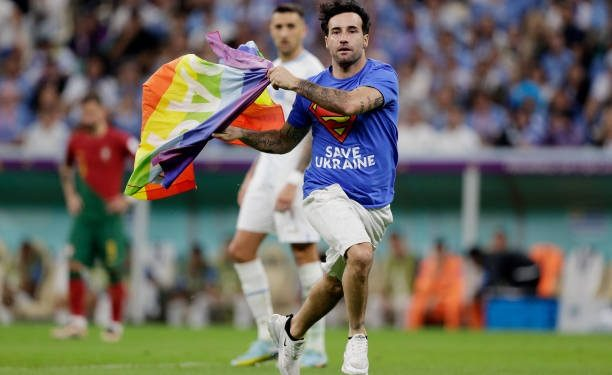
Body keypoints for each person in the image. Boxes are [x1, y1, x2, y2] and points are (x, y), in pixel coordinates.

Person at [214, 1, 398, 374]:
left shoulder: (383, 77)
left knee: (333, 285)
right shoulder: (314, 90)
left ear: (365, 38)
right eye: (335, 32)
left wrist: (297, 83)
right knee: (360, 255)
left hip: (375, 203)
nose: (343, 38)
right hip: (323, 190)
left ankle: (290, 331)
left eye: (351, 31)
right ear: (326, 41)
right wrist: (241, 134)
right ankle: (357, 340)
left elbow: (349, 105)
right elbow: (284, 141)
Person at [227, 3, 328, 368]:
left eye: (290, 25)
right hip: (266, 172)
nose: (284, 32)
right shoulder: (267, 71)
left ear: (303, 30)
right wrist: (254, 175)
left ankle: (316, 344)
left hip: (296, 176)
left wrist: (295, 178)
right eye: (278, 26)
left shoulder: (313, 71)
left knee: (304, 253)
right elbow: (270, 129)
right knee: (240, 249)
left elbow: (319, 133)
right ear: (271, 31)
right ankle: (265, 337)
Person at [51, 93, 137, 342]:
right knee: (74, 264)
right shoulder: (75, 141)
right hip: (84, 217)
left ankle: (115, 326)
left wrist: (126, 199)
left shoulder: (120, 139)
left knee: (113, 270)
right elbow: (65, 168)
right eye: (84, 112)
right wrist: (70, 195)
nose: (87, 116)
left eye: (91, 111)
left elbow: (148, 164)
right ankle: (77, 322)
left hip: (109, 219)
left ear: (103, 112)